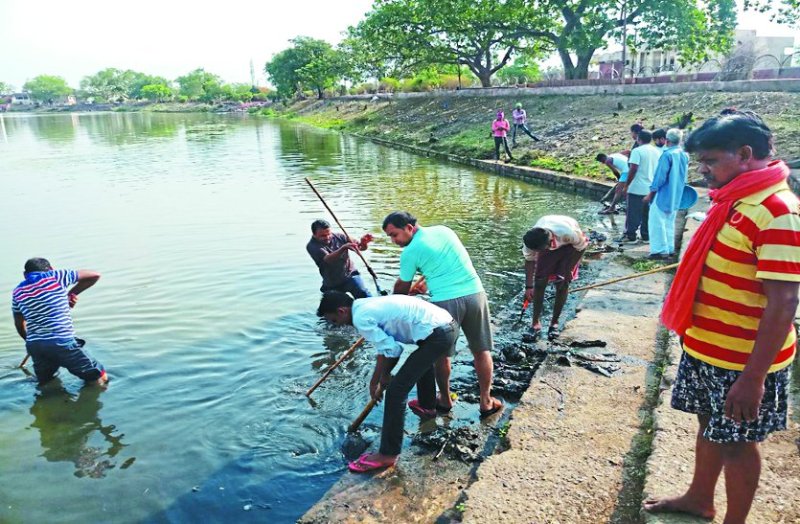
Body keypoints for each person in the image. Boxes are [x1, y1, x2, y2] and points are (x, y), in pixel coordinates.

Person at [644, 111, 799, 523]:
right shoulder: (735, 200)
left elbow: (784, 302)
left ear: (745, 155)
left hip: (742, 360)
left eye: (711, 161)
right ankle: (699, 497)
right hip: (708, 348)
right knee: (709, 423)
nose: (703, 170)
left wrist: (753, 379)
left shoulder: (777, 211)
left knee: (738, 443)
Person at [317, 291, 457, 473]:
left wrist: (382, 379)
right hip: (446, 325)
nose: (337, 325)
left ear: (342, 311)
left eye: (335, 320)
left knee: (396, 392)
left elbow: (393, 350)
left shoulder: (360, 318)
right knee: (422, 361)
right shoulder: (364, 305)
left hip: (437, 333)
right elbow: (384, 350)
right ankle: (427, 405)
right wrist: (377, 379)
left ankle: (388, 454)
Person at [382, 211, 503, 417]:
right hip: (475, 294)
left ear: (409, 228)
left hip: (445, 302)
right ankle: (486, 401)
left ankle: (445, 400)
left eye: (395, 235)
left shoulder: (410, 252)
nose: (394, 241)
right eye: (390, 237)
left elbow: (401, 286)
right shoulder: (444, 231)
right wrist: (426, 282)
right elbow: (447, 262)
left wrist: (390, 309)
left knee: (442, 356)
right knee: (482, 350)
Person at [12, 258, 106, 385]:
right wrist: (71, 293)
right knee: (99, 378)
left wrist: (29, 340)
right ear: (51, 269)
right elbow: (94, 275)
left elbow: (19, 323)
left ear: (25, 275)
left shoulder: (17, 292)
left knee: (46, 383)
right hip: (62, 342)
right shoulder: (55, 276)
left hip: (35, 346)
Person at [521, 216, 588, 342]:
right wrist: (528, 287)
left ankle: (554, 323)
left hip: (570, 246)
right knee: (539, 282)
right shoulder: (531, 241)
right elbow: (529, 260)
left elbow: (582, 247)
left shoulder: (569, 233)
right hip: (548, 240)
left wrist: (568, 269)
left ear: (549, 243)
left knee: (562, 283)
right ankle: (535, 324)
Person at [643, 128, 689, 259]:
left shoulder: (667, 155)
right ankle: (669, 248)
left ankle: (659, 251)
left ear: (667, 140)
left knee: (657, 223)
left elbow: (659, 178)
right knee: (669, 222)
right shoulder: (684, 155)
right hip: (676, 194)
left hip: (663, 194)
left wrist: (650, 194)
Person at [306, 219, 373, 299]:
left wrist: (364, 243)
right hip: (332, 282)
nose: (327, 237)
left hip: (350, 275)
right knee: (330, 305)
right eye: (323, 236)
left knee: (364, 295)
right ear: (314, 234)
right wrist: (343, 248)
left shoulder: (340, 236)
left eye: (329, 234)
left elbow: (360, 248)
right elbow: (328, 259)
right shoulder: (312, 246)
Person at [619, 129, 661, 243]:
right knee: (647, 214)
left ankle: (631, 236)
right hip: (650, 187)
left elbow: (633, 168)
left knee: (633, 213)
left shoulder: (637, 151)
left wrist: (626, 185)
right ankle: (646, 236)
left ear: (638, 139)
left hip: (637, 187)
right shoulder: (657, 151)